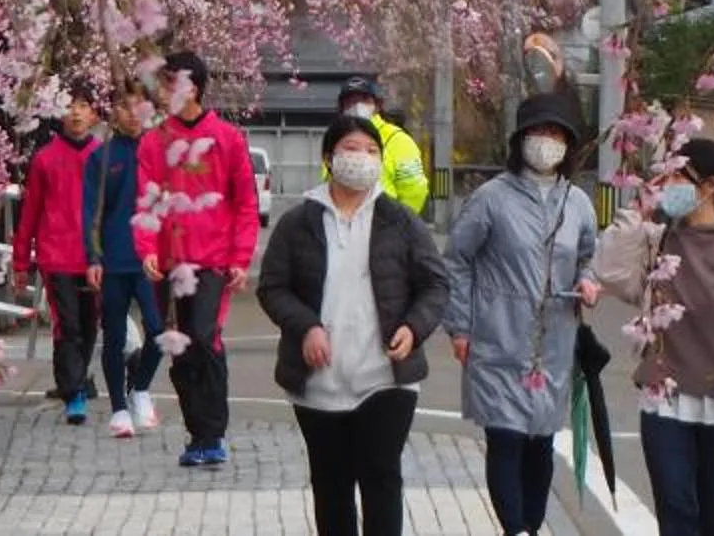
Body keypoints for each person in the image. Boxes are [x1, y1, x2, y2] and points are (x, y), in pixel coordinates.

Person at [258, 113, 452, 536]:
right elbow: (273, 288)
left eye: (372, 151)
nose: (362, 159)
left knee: (382, 478)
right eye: (351, 149)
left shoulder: (400, 220)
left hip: (385, 377)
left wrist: (414, 327)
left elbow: (435, 284)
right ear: (329, 157)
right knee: (331, 487)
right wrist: (306, 326)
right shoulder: (299, 222)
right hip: (318, 382)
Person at [593, 136, 714, 536]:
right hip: (664, 406)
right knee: (675, 514)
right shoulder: (658, 239)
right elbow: (609, 270)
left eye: (677, 176)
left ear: (710, 186)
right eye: (663, 175)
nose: (667, 184)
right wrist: (639, 208)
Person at [446, 92, 600, 536]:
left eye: (556, 134)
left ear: (568, 145)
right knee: (507, 437)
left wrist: (588, 282)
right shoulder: (491, 199)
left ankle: (531, 526)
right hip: (497, 337)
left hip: (554, 342)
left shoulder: (578, 203)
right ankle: (515, 528)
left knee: (540, 442)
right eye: (538, 132)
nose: (546, 142)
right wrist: (460, 326)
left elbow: (589, 256)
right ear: (519, 140)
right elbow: (457, 259)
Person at [135, 47, 260, 469]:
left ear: (194, 88)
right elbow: (146, 200)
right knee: (180, 347)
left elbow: (245, 203)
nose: (166, 90)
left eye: (173, 82)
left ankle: (212, 433)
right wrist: (148, 248)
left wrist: (240, 258)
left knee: (204, 338)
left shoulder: (227, 139)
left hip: (211, 261)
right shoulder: (155, 142)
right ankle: (198, 433)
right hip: (169, 263)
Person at [9, 83, 102, 423]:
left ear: (94, 114)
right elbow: (30, 213)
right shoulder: (45, 159)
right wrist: (21, 262)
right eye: (70, 105)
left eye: (83, 105)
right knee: (67, 326)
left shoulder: (103, 156)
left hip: (94, 256)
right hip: (56, 255)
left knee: (91, 325)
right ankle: (73, 391)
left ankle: (79, 381)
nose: (76, 112)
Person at [81, 76, 167, 438]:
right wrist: (93, 257)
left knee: (159, 329)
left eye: (139, 106)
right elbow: (90, 212)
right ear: (112, 111)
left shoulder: (161, 150)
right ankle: (118, 407)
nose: (133, 114)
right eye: (124, 106)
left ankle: (140, 387)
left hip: (152, 261)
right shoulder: (102, 157)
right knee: (113, 335)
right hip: (115, 259)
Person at [337, 74, 433, 214]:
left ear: (377, 105)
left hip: (384, 225)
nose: (357, 105)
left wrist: (399, 223)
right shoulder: (337, 139)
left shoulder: (397, 139)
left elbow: (415, 187)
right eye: (350, 101)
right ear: (342, 107)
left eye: (364, 99)